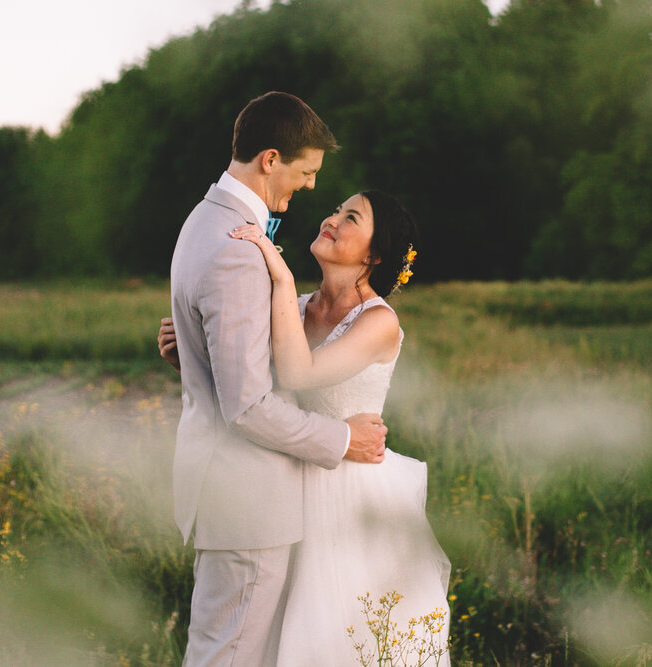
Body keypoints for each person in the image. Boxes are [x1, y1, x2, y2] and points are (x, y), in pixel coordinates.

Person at [163, 189, 451, 664]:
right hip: (287, 484)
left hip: (353, 498)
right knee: (270, 638)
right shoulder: (295, 307)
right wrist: (191, 354)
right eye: (337, 209)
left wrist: (277, 274)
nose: (332, 218)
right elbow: (253, 392)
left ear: (373, 255)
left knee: (341, 638)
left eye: (350, 217)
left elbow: (297, 375)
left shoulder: (378, 322)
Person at [165, 91, 388, 667]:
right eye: (307, 171)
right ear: (270, 159)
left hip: (238, 490)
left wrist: (190, 354)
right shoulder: (239, 249)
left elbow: (237, 366)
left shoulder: (204, 220)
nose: (313, 188)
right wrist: (344, 440)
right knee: (230, 657)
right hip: (249, 495)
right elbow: (249, 406)